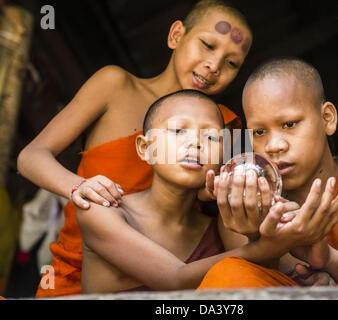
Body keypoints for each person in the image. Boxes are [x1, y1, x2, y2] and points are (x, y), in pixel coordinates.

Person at [17, 0, 252, 297]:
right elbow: (31, 156)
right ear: (176, 35)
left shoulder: (222, 127)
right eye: (207, 45)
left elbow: (211, 196)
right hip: (81, 266)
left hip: (165, 270)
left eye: (231, 63)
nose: (214, 65)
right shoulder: (116, 86)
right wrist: (82, 188)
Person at [76, 89, 338, 293]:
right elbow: (175, 279)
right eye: (179, 130)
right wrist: (271, 245)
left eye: (211, 137)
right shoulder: (102, 211)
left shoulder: (223, 223)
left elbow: (261, 280)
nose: (195, 143)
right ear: (146, 148)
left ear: (224, 154)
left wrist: (308, 275)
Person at [197, 57, 338, 290]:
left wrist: (332, 261)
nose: (274, 145)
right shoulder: (246, 208)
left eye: (290, 124)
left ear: (327, 119)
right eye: (259, 131)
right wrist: (259, 239)